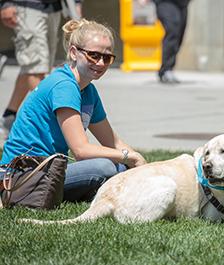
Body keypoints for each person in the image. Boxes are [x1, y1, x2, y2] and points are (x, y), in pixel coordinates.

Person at [0, 18, 147, 202]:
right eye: (93, 55)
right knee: (105, 168)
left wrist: (144, 168)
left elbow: (113, 142)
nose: (100, 63)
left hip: (50, 170)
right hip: (23, 176)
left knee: (120, 167)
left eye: (107, 57)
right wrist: (128, 157)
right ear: (73, 52)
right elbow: (81, 150)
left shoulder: (89, 91)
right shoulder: (64, 86)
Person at [0, 0, 82, 141]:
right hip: (27, 7)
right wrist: (5, 4)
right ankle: (51, 121)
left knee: (35, 66)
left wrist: (77, 4)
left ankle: (9, 116)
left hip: (54, 8)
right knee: (35, 69)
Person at [152, 0, 190, 84]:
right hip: (165, 2)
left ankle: (166, 70)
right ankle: (166, 70)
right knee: (173, 28)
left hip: (182, 3)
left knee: (179, 34)